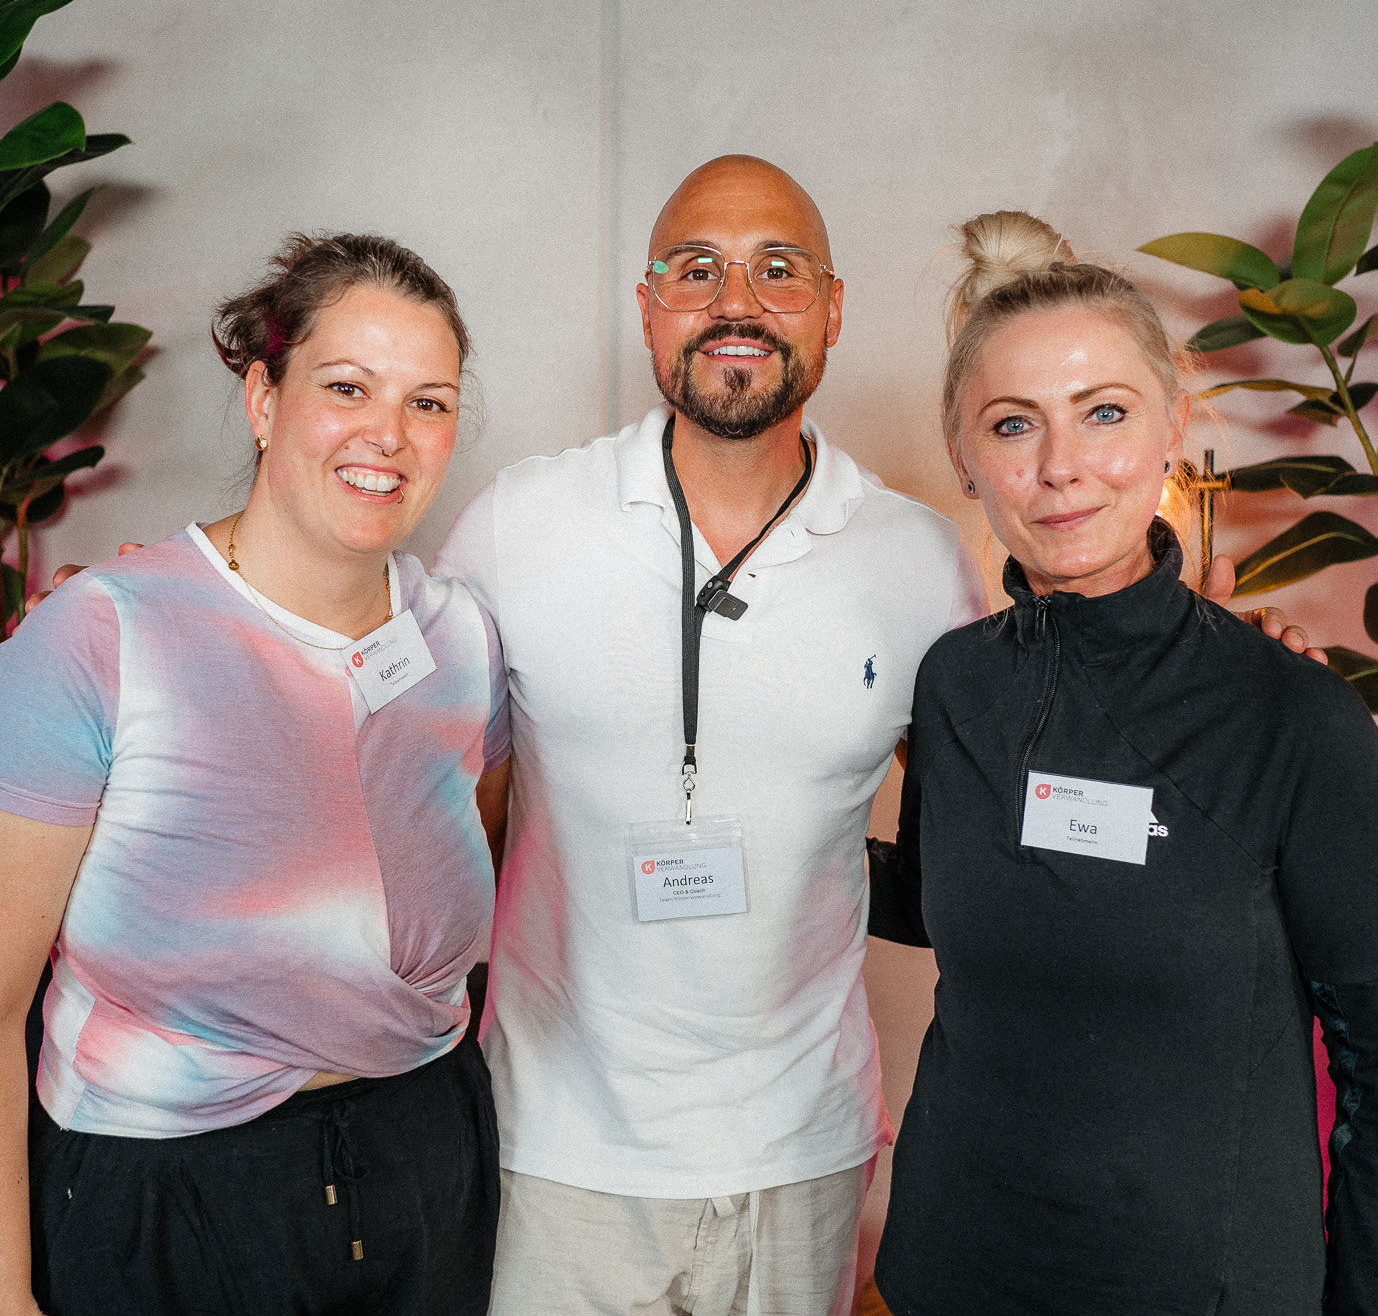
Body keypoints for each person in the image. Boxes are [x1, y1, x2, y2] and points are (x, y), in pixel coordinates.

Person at [432, 157, 1318, 1315]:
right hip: (555, 1149)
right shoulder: (519, 524)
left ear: (833, 309)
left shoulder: (911, 560)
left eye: (778, 269)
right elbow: (423, 798)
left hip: (804, 1147)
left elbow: (1009, 826)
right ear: (647, 306)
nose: (734, 299)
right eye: (694, 270)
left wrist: (1227, 692)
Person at [867, 211, 1378, 1315]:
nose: (1060, 469)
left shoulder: (1289, 714)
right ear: (962, 456)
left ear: (1170, 429)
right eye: (1012, 425)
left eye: (1102, 413)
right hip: (952, 1265)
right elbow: (946, 895)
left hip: (1194, 1282)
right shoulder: (953, 684)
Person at [0, 234, 507, 1316]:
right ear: (263, 397)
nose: (390, 434)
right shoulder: (103, 637)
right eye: (346, 387)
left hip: (425, 1155)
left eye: (429, 402)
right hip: (170, 1191)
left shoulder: (460, 637)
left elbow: (473, 850)